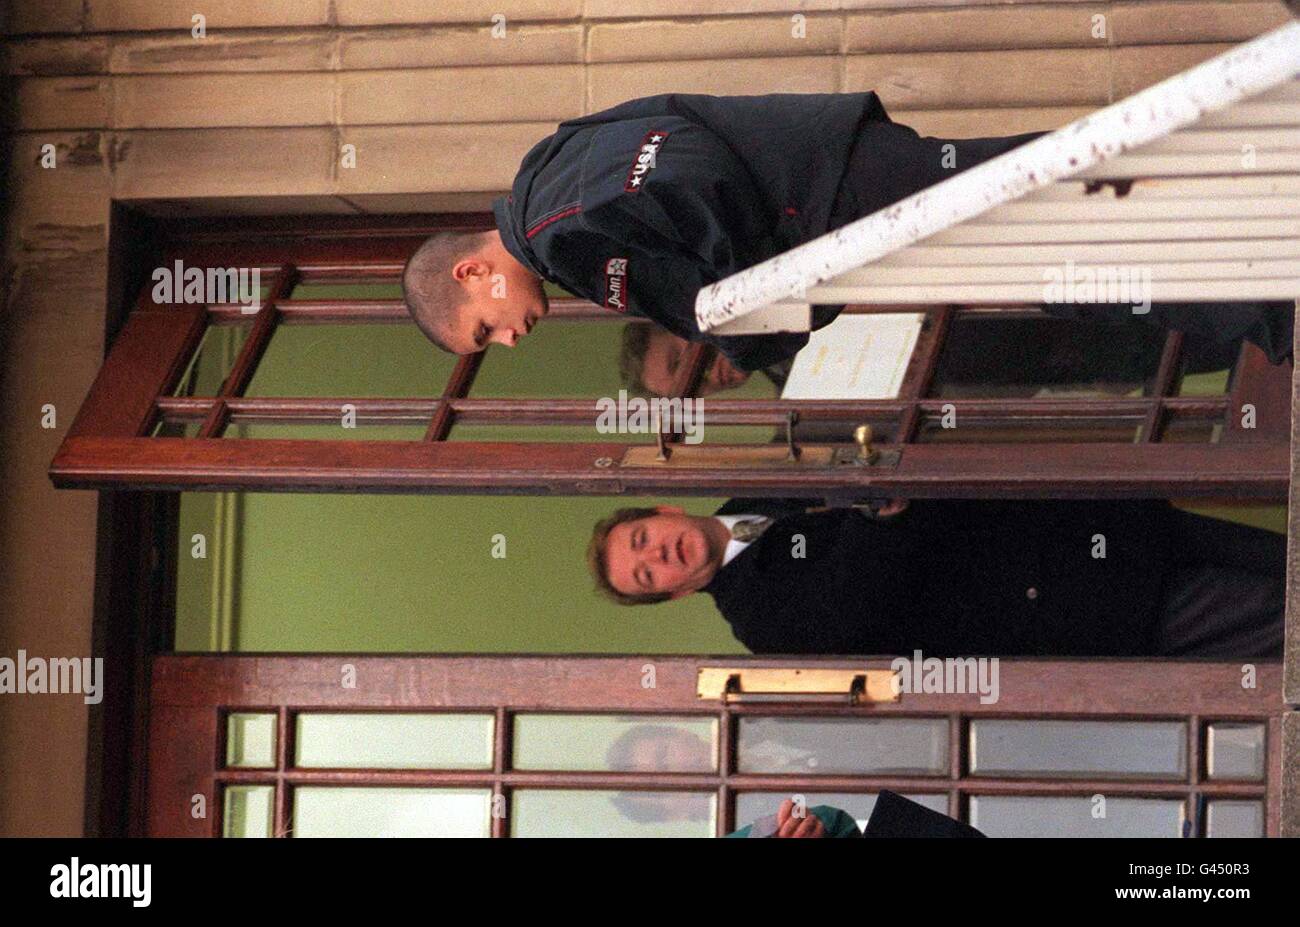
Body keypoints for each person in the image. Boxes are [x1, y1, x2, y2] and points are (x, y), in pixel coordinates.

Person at [401, 92, 1293, 371]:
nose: (509, 334)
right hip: (837, 201)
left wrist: (740, 296)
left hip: (832, 198)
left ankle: (1266, 271)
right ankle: (1262, 257)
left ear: (476, 274)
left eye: (488, 327)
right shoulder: (550, 202)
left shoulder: (551, 222)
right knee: (1059, 223)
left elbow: (687, 169)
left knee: (1060, 206)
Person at [587, 497, 1285, 658]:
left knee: (1282, 555)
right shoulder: (757, 622)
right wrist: (875, 501)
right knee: (1279, 611)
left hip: (1098, 520)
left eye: (644, 539)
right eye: (648, 574)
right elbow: (853, 612)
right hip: (1091, 603)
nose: (660, 555)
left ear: (666, 509)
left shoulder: (772, 469)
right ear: (673, 593)